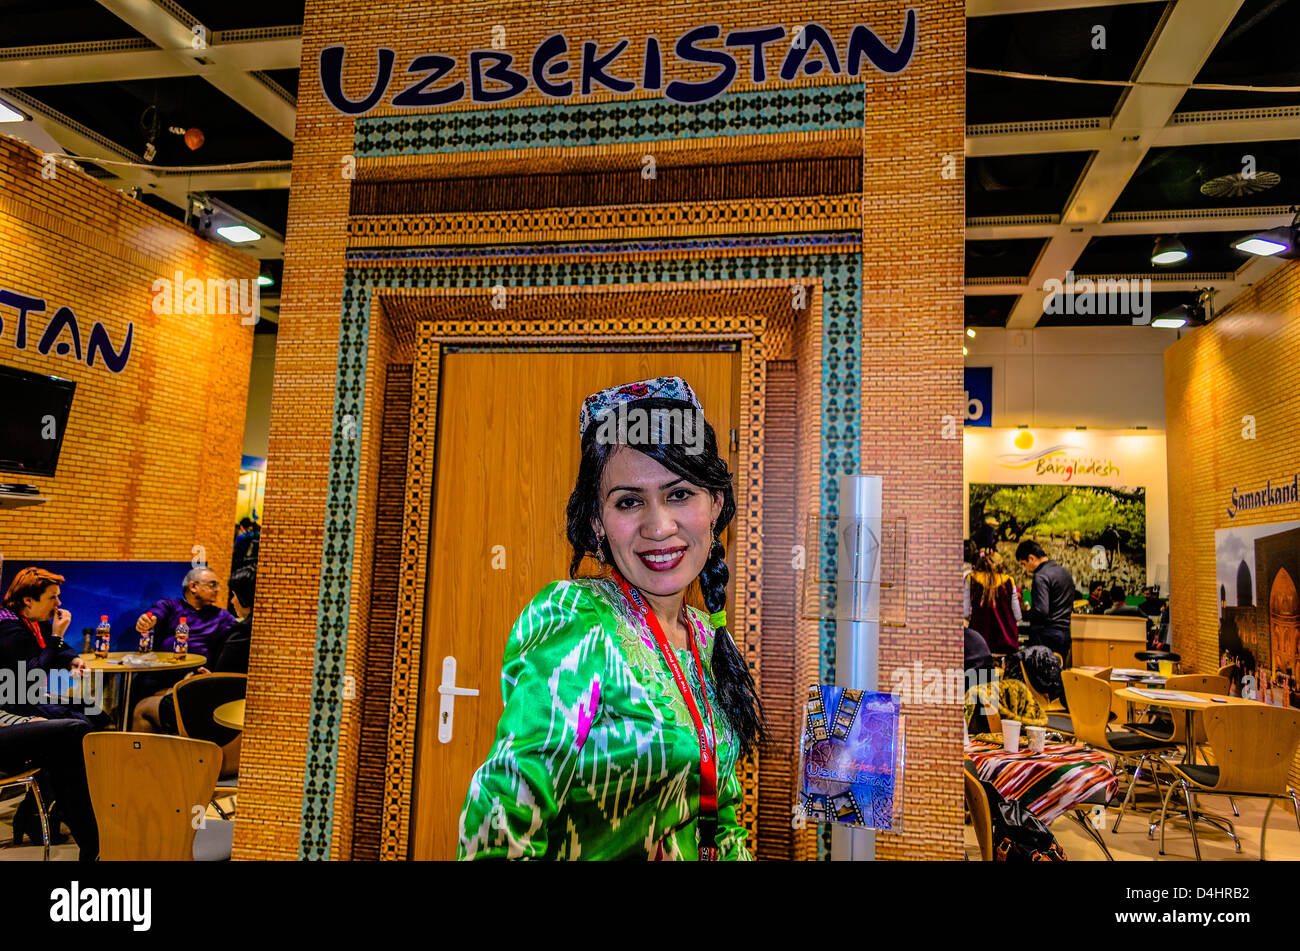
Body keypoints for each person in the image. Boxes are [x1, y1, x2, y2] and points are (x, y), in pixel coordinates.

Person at [458, 376, 765, 860]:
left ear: (716, 505)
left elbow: (721, 819)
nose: (659, 526)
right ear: (599, 523)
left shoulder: (707, 640)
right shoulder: (579, 621)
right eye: (629, 501)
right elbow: (497, 822)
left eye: (680, 494)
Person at [129, 566, 238, 729]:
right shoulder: (170, 605)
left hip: (196, 677)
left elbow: (241, 632)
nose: (218, 590)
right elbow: (153, 616)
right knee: (139, 684)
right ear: (193, 586)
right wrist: (146, 621)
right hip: (161, 676)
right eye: (212, 585)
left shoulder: (221, 616)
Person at [0, 568, 91, 720]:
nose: (58, 603)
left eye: (58, 596)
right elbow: (33, 674)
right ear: (28, 600)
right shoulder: (8, 628)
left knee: (93, 711)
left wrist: (72, 660)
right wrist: (57, 635)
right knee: (81, 722)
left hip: (29, 698)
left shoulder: (35, 621)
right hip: (11, 702)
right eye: (52, 597)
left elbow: (58, 649)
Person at [1015, 540, 1077, 665]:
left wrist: (1021, 614)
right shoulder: (1064, 572)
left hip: (1046, 636)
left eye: (1023, 564)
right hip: (1065, 634)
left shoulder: (1041, 576)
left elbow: (1041, 610)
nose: (1025, 569)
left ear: (1031, 558)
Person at [964, 549, 1021, 654]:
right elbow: (1017, 615)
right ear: (1000, 565)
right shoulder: (1009, 580)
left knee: (983, 671)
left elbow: (965, 612)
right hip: (1006, 638)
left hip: (979, 638)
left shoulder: (971, 579)